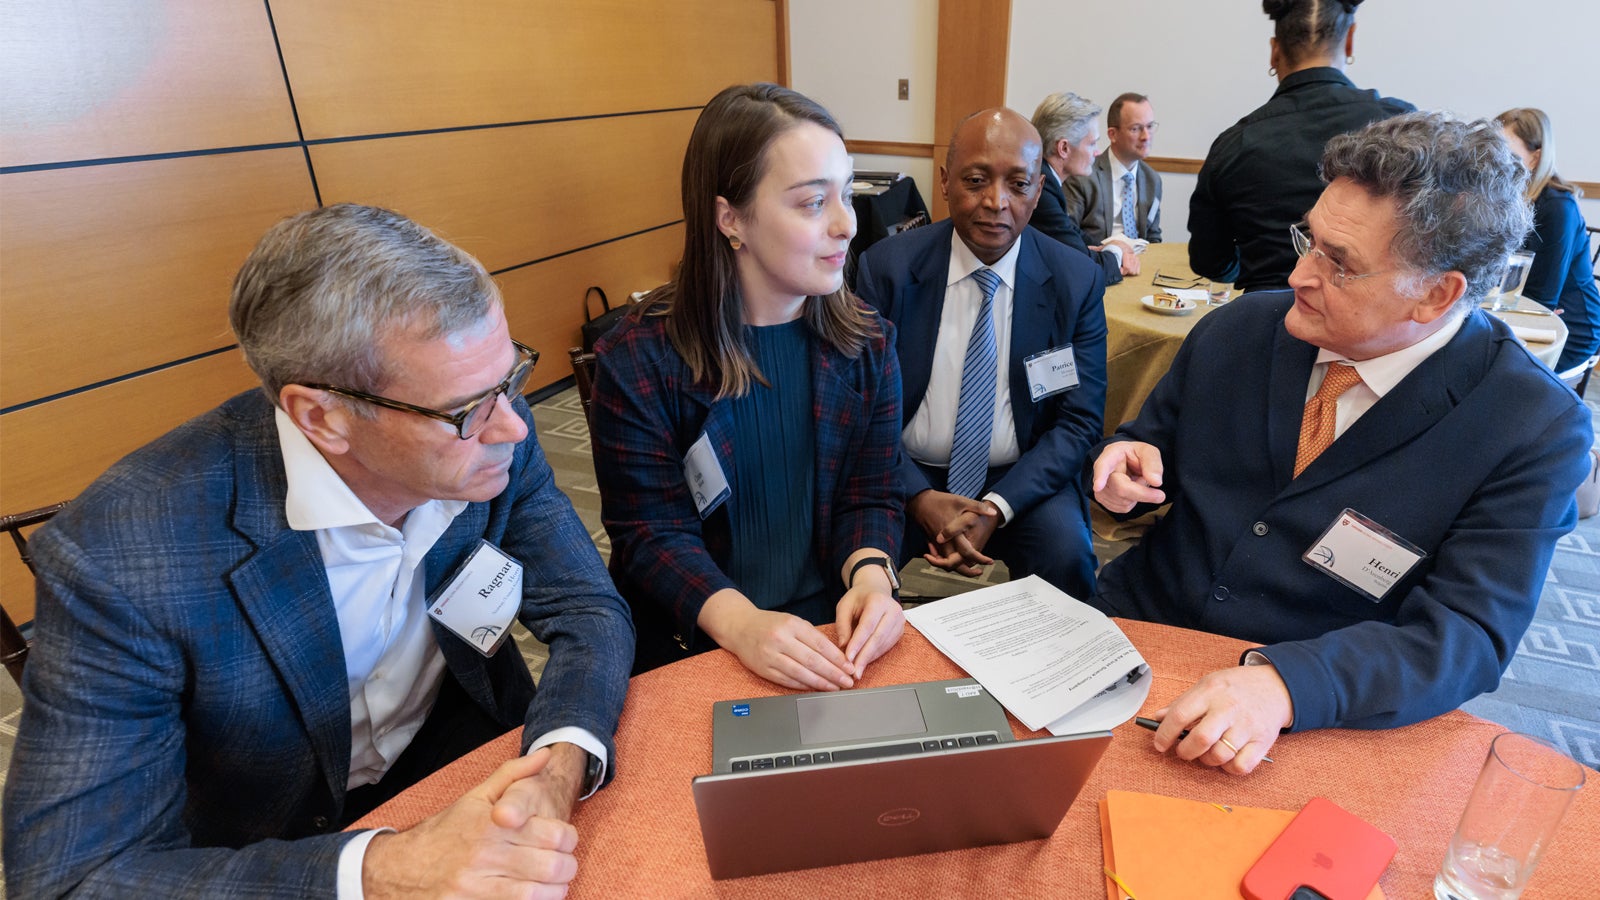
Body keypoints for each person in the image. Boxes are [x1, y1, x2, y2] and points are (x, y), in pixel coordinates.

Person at [3, 204, 636, 897]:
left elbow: (586, 608)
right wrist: (384, 868)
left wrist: (558, 762)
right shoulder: (118, 562)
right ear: (322, 416)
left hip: (476, 758)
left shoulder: (492, 441)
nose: (513, 426)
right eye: (467, 410)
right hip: (274, 851)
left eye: (511, 376)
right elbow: (69, 878)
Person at [1091, 112, 1592, 774]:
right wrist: (1126, 459)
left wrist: (1286, 685)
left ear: (1435, 296)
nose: (1300, 275)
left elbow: (1466, 637)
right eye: (1311, 240)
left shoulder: (1529, 425)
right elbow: (1149, 442)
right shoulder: (1240, 329)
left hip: (1322, 707)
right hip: (1135, 637)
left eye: (1340, 264)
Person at [590, 83, 905, 690]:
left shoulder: (868, 343)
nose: (847, 225)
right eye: (813, 203)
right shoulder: (640, 359)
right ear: (729, 218)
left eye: (848, 194)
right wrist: (742, 625)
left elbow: (869, 497)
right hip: (698, 635)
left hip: (831, 632)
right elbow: (650, 534)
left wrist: (870, 580)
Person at [856, 107, 1108, 601]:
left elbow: (1078, 423)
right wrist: (919, 496)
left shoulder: (1074, 281)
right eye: (976, 180)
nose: (996, 202)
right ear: (946, 182)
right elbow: (859, 409)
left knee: (1068, 555)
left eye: (1018, 185)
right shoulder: (886, 269)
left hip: (1021, 478)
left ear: (1039, 191)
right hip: (903, 471)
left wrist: (996, 506)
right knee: (853, 558)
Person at [1188, 0, 1413, 293]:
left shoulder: (1234, 146)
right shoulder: (1399, 128)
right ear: (1349, 41)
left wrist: (1257, 268)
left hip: (1266, 324)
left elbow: (1210, 262)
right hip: (1373, 330)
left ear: (1274, 51)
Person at [1495, 107, 1600, 377]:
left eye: (1505, 152)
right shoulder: (1505, 196)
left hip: (1570, 329)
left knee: (1483, 366)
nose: (1494, 160)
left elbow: (1543, 299)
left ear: (1535, 158)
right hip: (1518, 311)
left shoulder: (1557, 207)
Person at [1028, 91, 1139, 283]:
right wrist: (1116, 252)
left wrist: (1106, 246)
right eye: (1092, 143)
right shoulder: (1041, 190)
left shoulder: (1046, 179)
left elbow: (1069, 232)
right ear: (1063, 148)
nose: (1097, 152)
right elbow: (1082, 269)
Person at [1063, 92, 1164, 246]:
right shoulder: (1084, 176)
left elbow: (1153, 236)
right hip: (1095, 261)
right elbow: (1067, 232)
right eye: (1136, 129)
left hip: (1140, 263)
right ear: (1113, 134)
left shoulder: (1153, 180)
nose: (1146, 136)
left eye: (1149, 127)